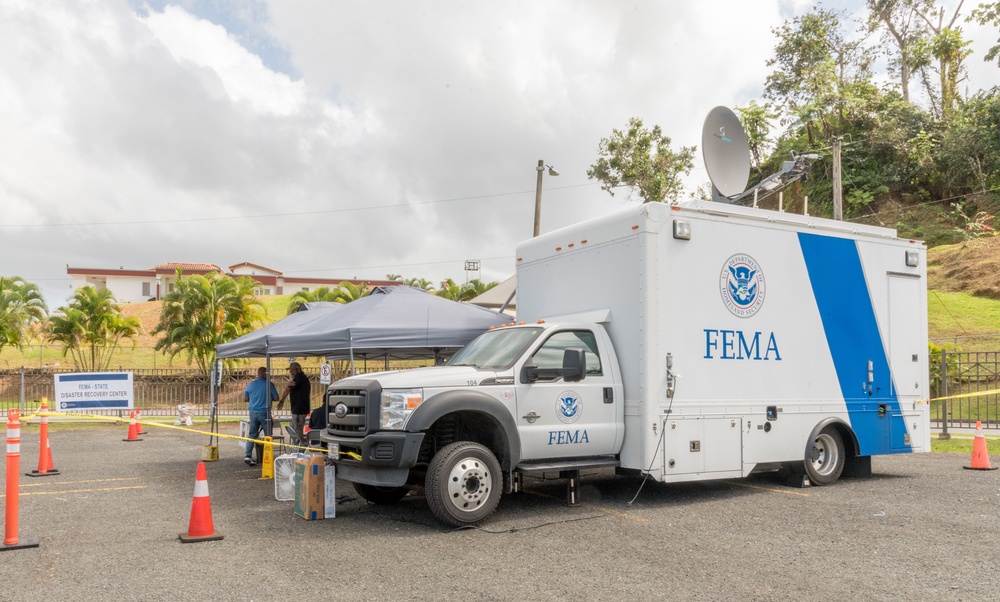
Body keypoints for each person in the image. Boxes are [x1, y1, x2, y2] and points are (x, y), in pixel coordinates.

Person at [243, 366, 278, 466]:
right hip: (264, 412)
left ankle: (248, 455)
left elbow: (245, 399)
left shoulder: (250, 384)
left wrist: (255, 399)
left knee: (252, 434)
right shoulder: (269, 385)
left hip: (253, 412)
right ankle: (268, 456)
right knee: (268, 435)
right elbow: (276, 397)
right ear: (264, 374)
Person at [277, 362, 311, 447]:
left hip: (298, 408)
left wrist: (281, 401)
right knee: (296, 428)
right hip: (301, 408)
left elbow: (287, 389)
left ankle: (299, 445)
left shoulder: (299, 378)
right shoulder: (303, 378)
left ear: (297, 369)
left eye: (292, 370)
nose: (291, 372)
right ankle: (299, 444)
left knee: (296, 429)